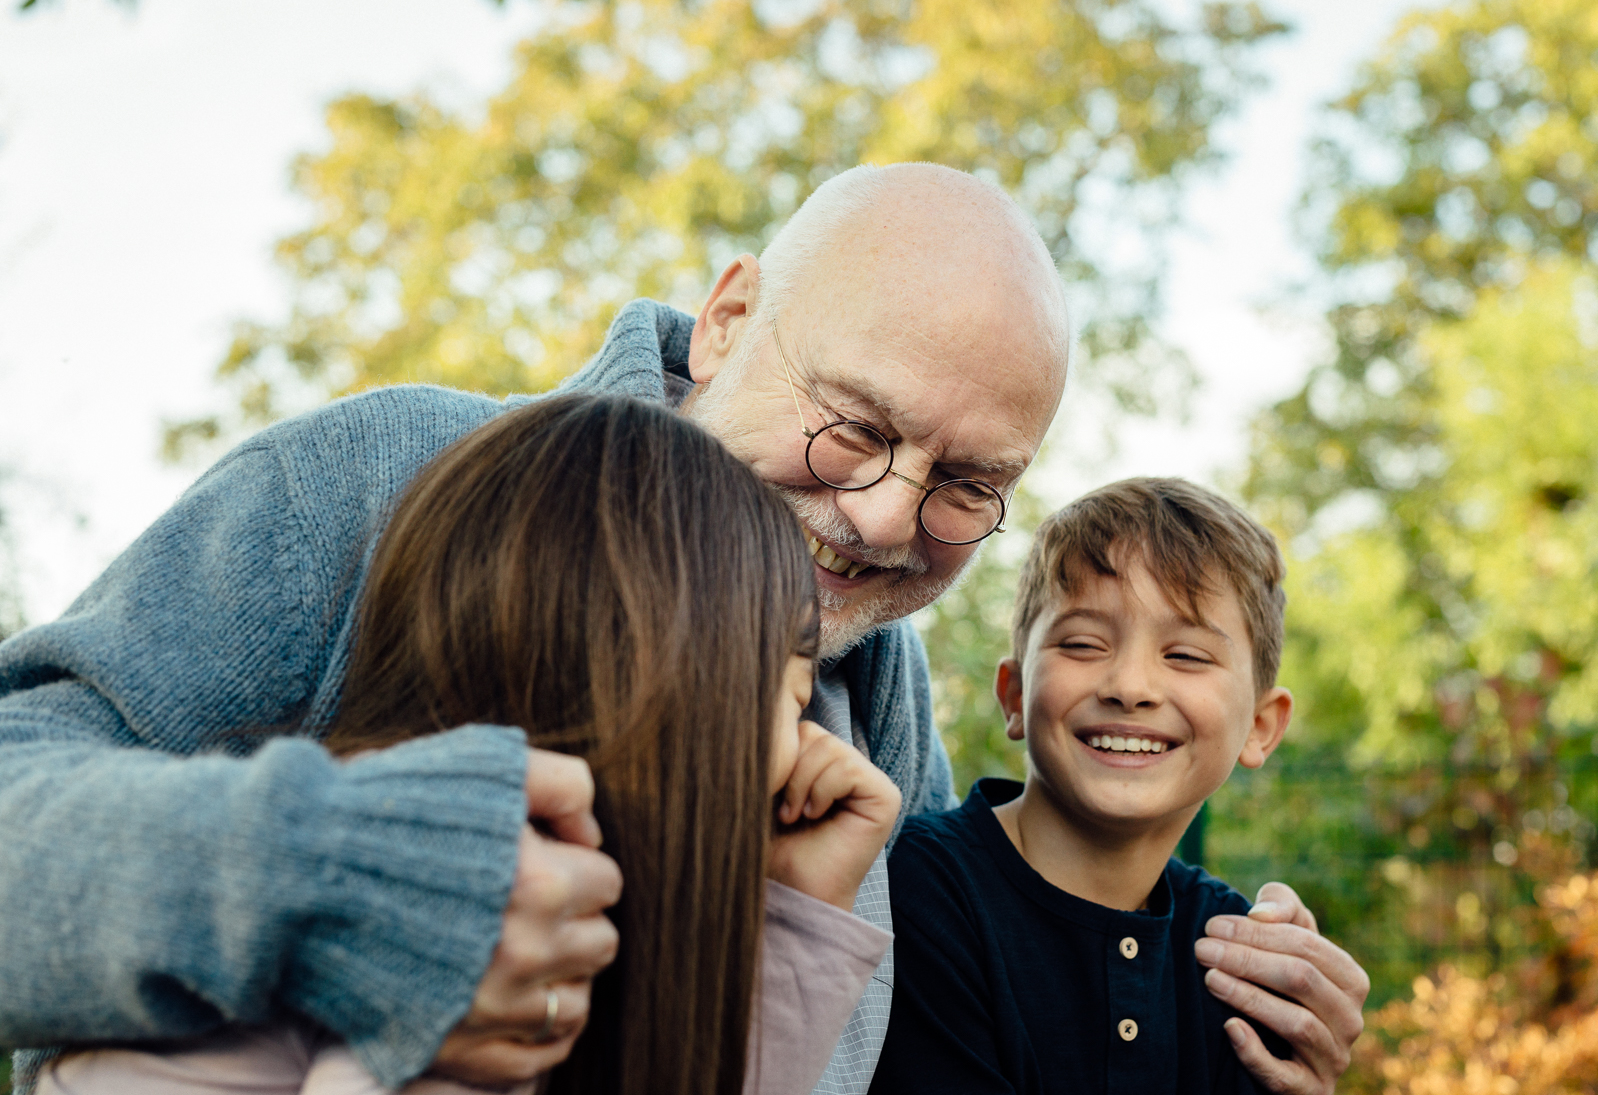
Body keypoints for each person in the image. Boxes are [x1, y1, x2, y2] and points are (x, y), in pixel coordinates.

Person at [0, 163, 1366, 1095]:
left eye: (967, 487)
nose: (889, 521)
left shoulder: (878, 695)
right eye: (856, 425)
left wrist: (1227, 997)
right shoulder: (382, 480)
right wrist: (329, 881)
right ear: (725, 323)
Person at [39, 393, 901, 1095]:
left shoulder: (564, 945)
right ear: (650, 684)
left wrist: (798, 914)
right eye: (789, 690)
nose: (804, 742)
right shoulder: (305, 1019)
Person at [869, 477, 1366, 1094]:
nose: (1130, 685)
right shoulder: (919, 888)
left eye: (1185, 655)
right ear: (1016, 695)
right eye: (1082, 643)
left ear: (1260, 727)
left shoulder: (1237, 952)